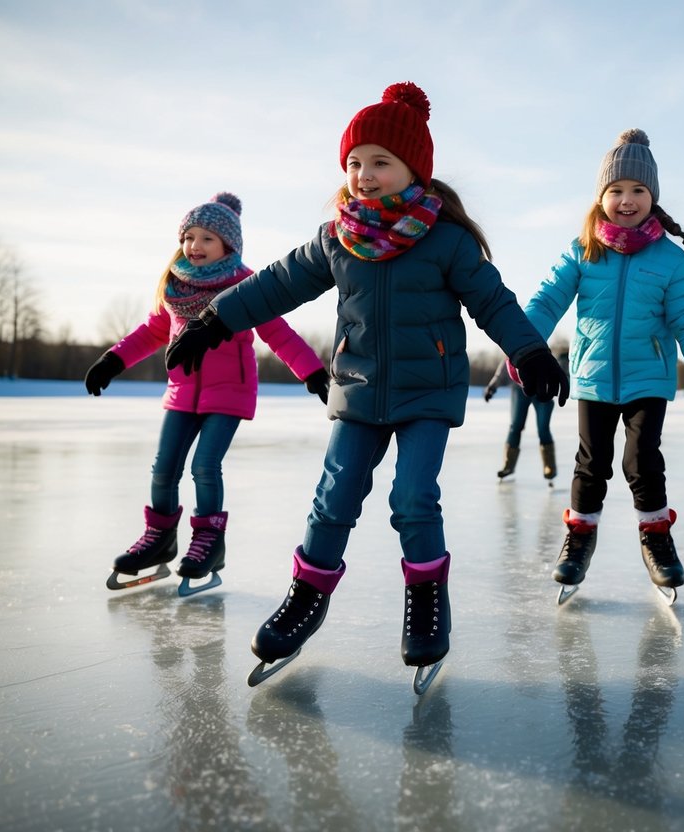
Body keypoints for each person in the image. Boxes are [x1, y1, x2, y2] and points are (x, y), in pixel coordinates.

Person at [164, 82, 568, 689]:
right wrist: (212, 319)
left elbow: (493, 301)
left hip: (426, 392)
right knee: (335, 494)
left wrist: (529, 350)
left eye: (380, 161)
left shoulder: (446, 240)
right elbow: (273, 284)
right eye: (355, 163)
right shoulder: (338, 238)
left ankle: (428, 600)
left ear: (414, 168)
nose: (364, 175)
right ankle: (306, 597)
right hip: (356, 390)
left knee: (411, 496)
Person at [518, 128, 684, 603]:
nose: (626, 199)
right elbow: (546, 301)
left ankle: (656, 541)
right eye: (616, 190)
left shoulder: (670, 259)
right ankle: (579, 541)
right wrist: (524, 347)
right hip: (594, 378)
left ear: (652, 197)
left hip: (648, 378)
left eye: (638, 190)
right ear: (602, 197)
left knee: (642, 463)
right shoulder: (583, 250)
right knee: (591, 464)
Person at [85, 192, 327, 595]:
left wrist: (313, 372)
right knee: (163, 469)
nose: (194, 246)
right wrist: (113, 360)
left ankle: (208, 543)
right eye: (189, 237)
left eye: (206, 239)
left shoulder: (246, 286)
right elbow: (152, 332)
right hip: (181, 392)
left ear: (228, 245)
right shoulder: (176, 288)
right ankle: (159, 538)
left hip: (229, 392)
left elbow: (278, 334)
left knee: (204, 466)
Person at [483, 342, 569, 481]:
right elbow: (505, 366)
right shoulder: (515, 343)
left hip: (542, 388)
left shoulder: (541, 342)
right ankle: (508, 465)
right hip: (520, 389)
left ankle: (550, 467)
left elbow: (555, 365)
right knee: (516, 426)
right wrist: (492, 386)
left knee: (543, 429)